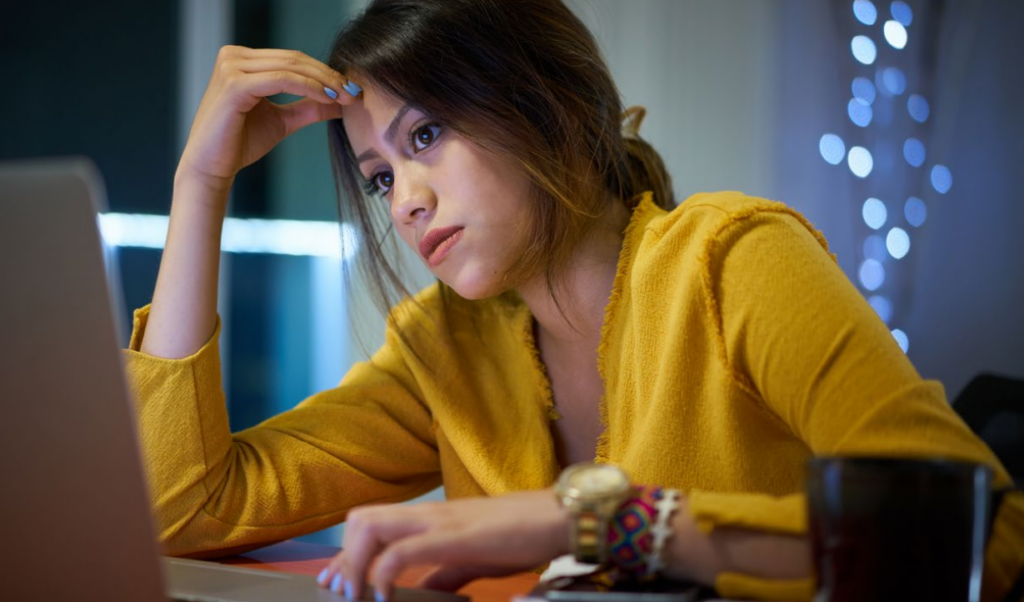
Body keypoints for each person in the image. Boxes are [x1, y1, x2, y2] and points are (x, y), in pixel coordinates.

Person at [124, 0, 1024, 601]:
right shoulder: (445, 346)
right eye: (378, 176)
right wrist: (199, 184)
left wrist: (591, 521)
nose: (403, 200)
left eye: (427, 135)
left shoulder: (733, 261)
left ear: (542, 104)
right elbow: (181, 512)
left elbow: (968, 538)